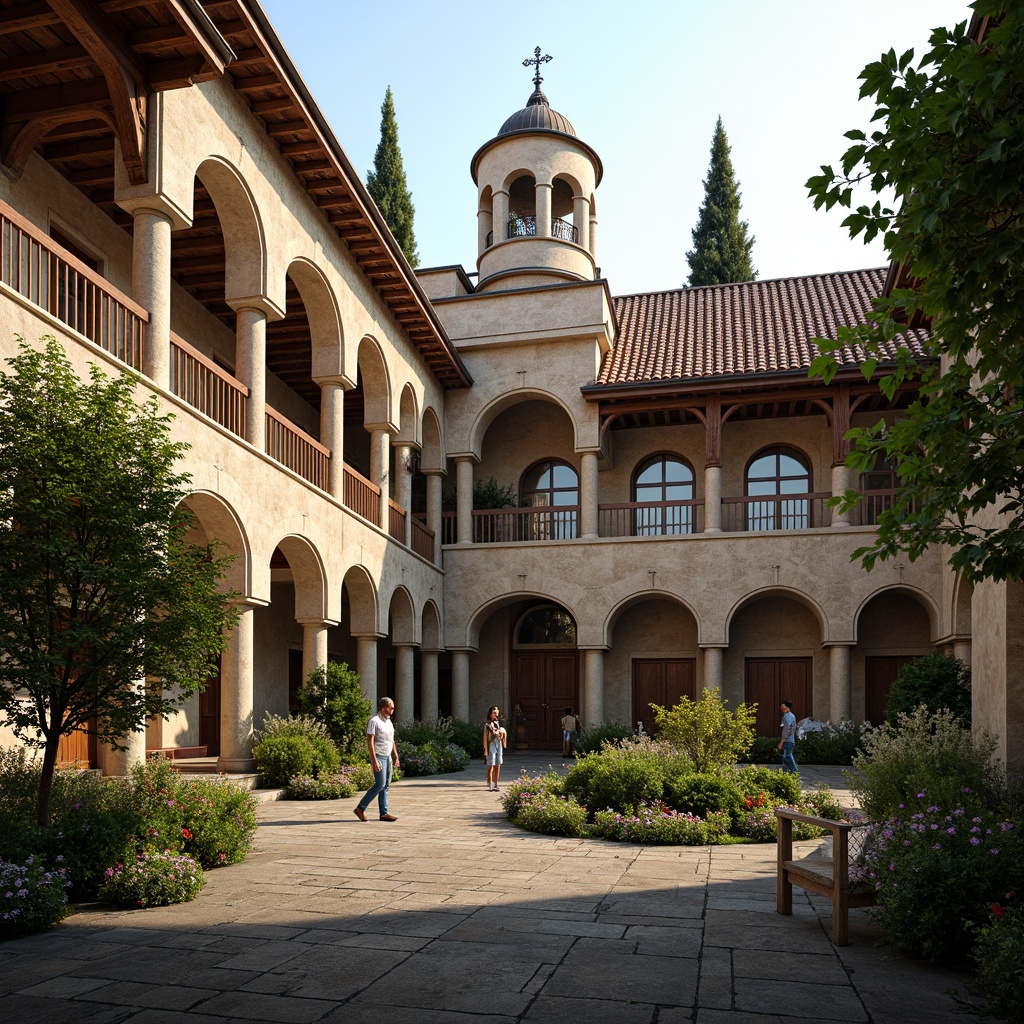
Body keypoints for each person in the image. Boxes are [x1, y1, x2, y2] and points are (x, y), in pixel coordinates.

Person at [354, 697, 400, 821]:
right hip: (379, 756)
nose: (392, 710)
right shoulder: (374, 721)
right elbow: (370, 742)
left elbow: (392, 740)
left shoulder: (389, 722)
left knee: (386, 786)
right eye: (391, 708)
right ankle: (360, 808)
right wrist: (374, 760)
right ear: (383, 708)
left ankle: (384, 813)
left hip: (388, 757)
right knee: (380, 784)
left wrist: (395, 756)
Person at [483, 705, 506, 791]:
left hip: (498, 743)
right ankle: (490, 783)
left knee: (498, 763)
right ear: (490, 714)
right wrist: (485, 749)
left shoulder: (498, 723)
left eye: (497, 712)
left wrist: (502, 733)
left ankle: (496, 783)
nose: (495, 714)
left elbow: (501, 733)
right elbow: (485, 738)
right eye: (494, 713)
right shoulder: (487, 725)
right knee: (491, 764)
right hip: (491, 744)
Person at [778, 700, 799, 775]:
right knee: (785, 759)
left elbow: (789, 728)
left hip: (787, 741)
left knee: (787, 756)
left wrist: (782, 741)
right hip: (789, 741)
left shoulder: (787, 716)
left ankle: (794, 772)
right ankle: (785, 774)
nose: (782, 707)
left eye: (784, 706)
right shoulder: (792, 715)